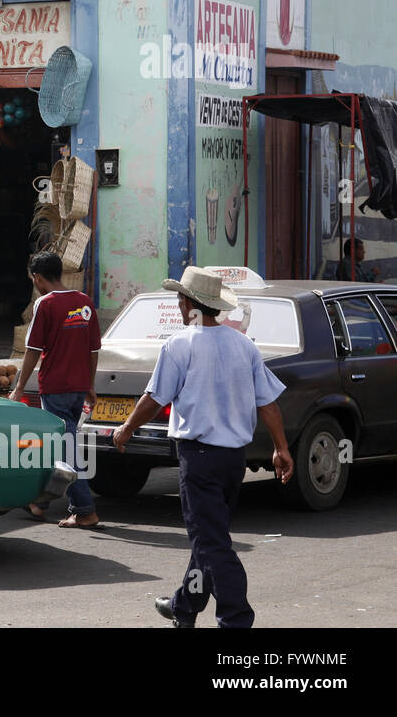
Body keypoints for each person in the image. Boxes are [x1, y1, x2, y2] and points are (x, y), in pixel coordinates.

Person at [113, 267, 293, 628]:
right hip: (232, 462)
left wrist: (127, 428)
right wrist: (281, 448)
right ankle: (184, 605)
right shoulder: (243, 344)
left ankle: (236, 618)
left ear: (188, 303)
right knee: (209, 536)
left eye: (180, 300)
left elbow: (154, 397)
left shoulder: (180, 344)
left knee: (212, 544)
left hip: (199, 459)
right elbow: (268, 404)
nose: (179, 306)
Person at [8, 251, 101, 528]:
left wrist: (18, 388)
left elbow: (33, 350)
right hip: (77, 388)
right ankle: (40, 502)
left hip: (56, 389)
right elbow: (94, 349)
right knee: (60, 446)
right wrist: (89, 384)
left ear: (38, 278)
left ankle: (85, 510)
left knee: (66, 450)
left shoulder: (45, 304)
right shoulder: (84, 302)